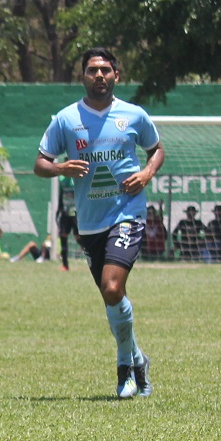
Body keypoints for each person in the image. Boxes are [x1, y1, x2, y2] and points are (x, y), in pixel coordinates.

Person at [34, 47, 164, 399]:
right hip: (90, 224)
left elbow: (157, 150)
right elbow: (40, 163)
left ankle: (125, 371)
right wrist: (61, 167)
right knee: (113, 298)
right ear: (83, 76)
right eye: (93, 70)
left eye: (106, 69)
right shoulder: (65, 119)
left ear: (116, 76)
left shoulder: (134, 115)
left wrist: (146, 174)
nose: (100, 75)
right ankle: (139, 359)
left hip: (128, 213)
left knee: (111, 287)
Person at [56, 199, 78, 269]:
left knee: (79, 238)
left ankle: (92, 258)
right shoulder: (62, 187)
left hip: (75, 213)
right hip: (65, 214)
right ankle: (65, 265)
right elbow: (61, 196)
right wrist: (59, 209)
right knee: (63, 237)